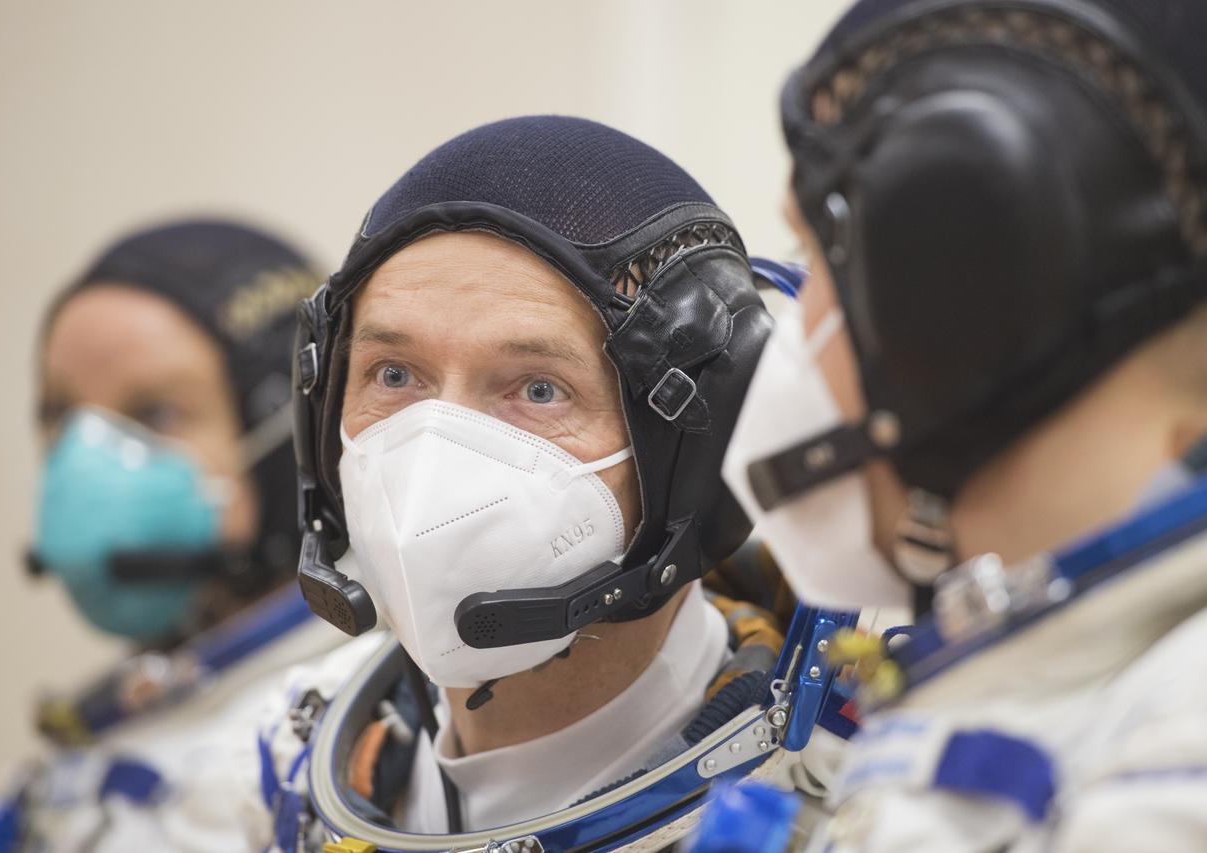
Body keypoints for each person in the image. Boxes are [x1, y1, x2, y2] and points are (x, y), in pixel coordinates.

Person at [251, 116, 852, 853]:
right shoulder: (273, 768)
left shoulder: (871, 822)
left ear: (695, 453)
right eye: (395, 375)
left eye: (538, 389)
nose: (432, 461)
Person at [722, 0, 1207, 849]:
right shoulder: (1067, 696)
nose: (792, 334)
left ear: (961, 288)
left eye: (819, 260)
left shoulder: (1165, 768)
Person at [0, 219, 348, 853]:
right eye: (60, 415)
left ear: (286, 433)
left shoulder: (361, 751)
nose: (87, 461)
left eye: (154, 413)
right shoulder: (99, 741)